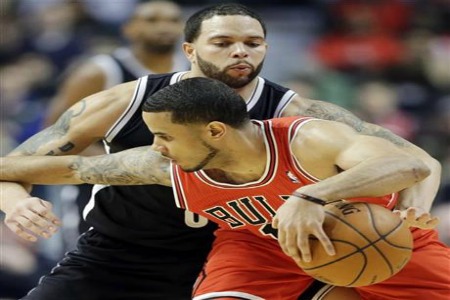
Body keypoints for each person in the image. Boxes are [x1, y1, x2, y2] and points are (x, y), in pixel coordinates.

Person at [0, 3, 440, 300]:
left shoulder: (302, 117)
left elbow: (418, 162)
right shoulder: (128, 102)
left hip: (255, 251)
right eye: (223, 42)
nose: (240, 52)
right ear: (189, 50)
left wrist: (411, 208)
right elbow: (24, 166)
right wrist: (17, 203)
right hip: (130, 251)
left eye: (253, 43)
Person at [42, 0, 185, 234]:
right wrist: (125, 167)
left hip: (167, 189)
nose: (164, 27)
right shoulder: (100, 72)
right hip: (100, 191)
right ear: (129, 29)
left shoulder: (194, 71)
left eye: (172, 20)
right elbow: (54, 133)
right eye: (152, 20)